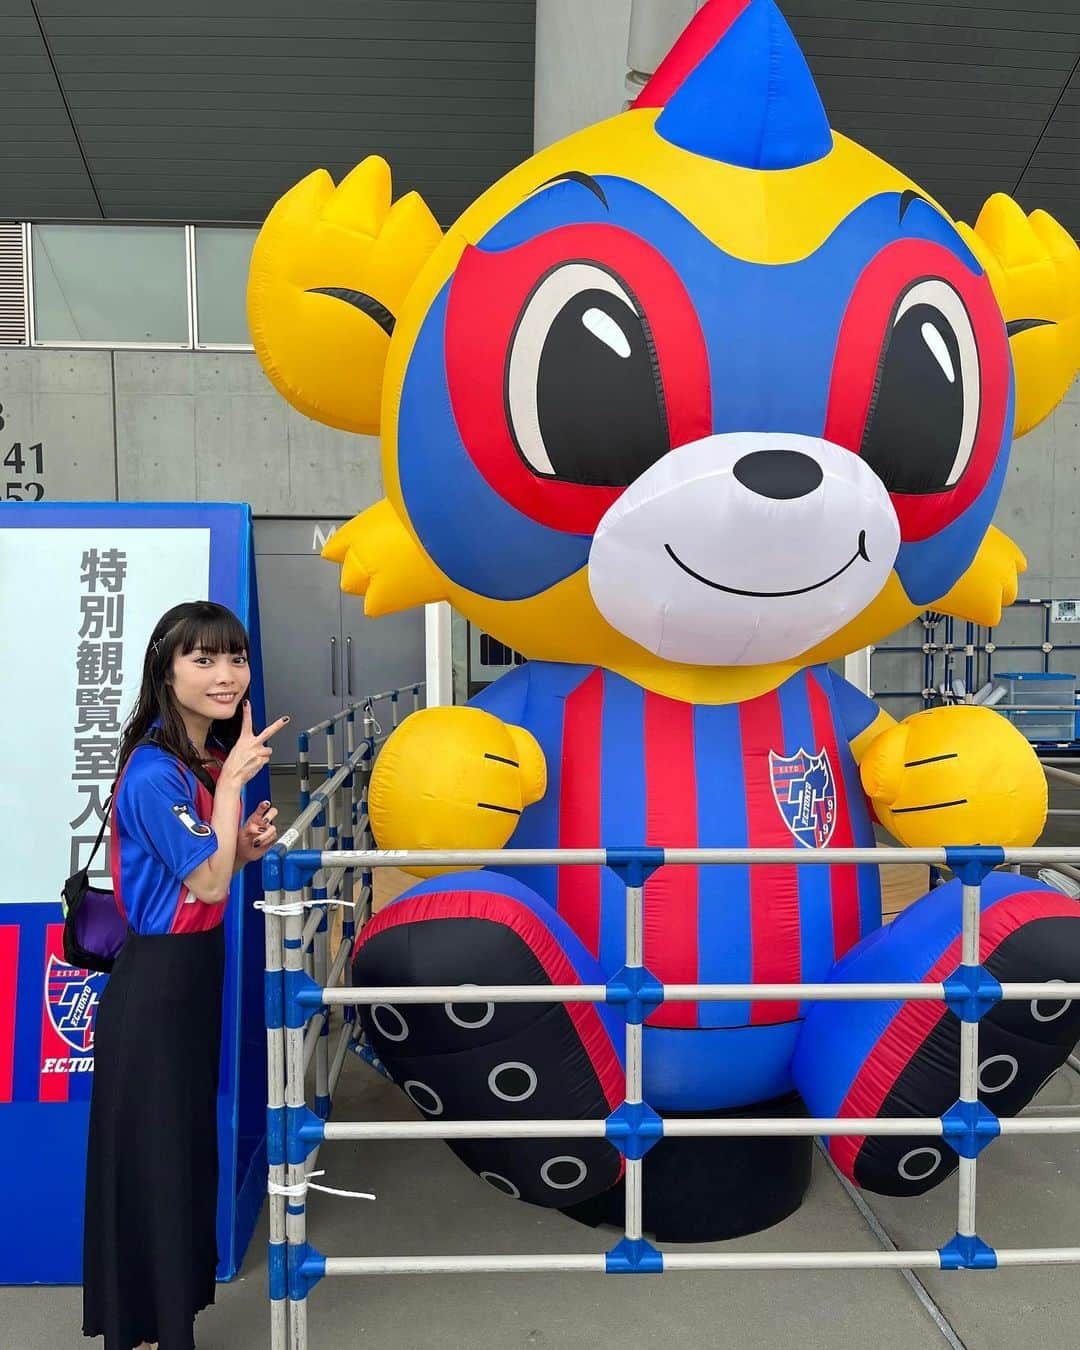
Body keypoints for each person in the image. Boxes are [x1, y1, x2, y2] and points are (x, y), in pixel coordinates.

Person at [82, 601, 289, 1350]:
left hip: (189, 980)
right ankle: (147, 1331)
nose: (226, 675)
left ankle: (161, 1326)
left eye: (233, 658)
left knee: (176, 1154)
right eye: (202, 660)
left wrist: (245, 844)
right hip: (158, 989)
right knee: (155, 1157)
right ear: (166, 672)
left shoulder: (187, 764)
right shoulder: (155, 771)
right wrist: (233, 789)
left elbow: (204, 872)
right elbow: (203, 887)